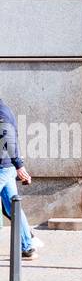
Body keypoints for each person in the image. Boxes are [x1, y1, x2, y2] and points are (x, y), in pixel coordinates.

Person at [0, 97, 40, 260]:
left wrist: (19, 166)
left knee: (12, 206)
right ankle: (28, 247)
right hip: (6, 167)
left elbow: (9, 141)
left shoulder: (2, 113)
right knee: (12, 207)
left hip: (3, 167)